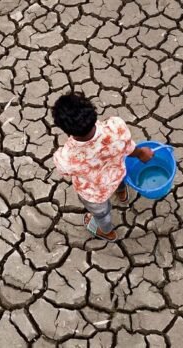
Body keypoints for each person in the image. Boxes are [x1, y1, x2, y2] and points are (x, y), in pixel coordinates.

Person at [52, 92, 153, 241]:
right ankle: (122, 195)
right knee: (119, 180)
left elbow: (65, 172)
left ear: (65, 130)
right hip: (117, 174)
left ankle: (106, 232)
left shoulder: (65, 158)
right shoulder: (116, 127)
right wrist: (140, 153)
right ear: (93, 111)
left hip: (95, 194)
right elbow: (129, 149)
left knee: (102, 214)